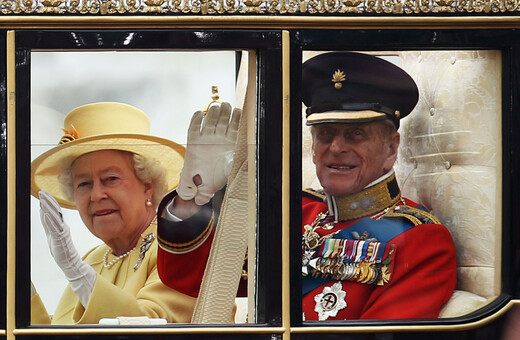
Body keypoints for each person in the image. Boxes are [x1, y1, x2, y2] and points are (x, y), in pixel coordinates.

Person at [300, 51, 457, 320]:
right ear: (313, 147)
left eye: (356, 134)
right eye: (325, 133)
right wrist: (201, 202)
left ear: (390, 149)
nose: (336, 148)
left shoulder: (421, 241)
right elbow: (219, 288)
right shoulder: (298, 210)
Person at [30, 102, 195, 324]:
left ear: (147, 185)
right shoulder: (94, 259)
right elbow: (61, 333)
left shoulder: (179, 249)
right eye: (84, 184)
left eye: (111, 179)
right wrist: (17, 286)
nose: (96, 195)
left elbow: (151, 327)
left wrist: (75, 271)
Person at [155, 101, 245, 299]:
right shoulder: (301, 211)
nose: (332, 148)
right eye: (324, 134)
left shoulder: (302, 211)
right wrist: (192, 196)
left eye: (111, 179)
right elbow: (185, 275)